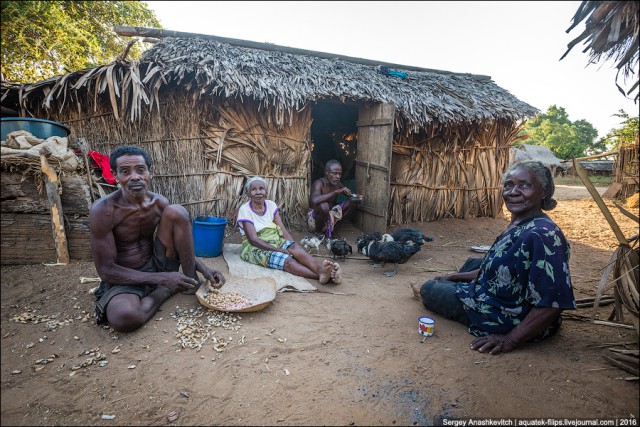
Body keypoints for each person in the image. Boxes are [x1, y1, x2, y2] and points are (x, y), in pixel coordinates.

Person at [411, 160, 576, 355]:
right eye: (509, 185)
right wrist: (453, 277)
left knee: (430, 288)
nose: (513, 192)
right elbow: (495, 269)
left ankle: (432, 291)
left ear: (544, 192)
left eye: (524, 185)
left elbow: (554, 301)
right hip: (504, 295)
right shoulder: (523, 222)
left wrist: (510, 340)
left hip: (508, 317)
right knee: (473, 263)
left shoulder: (543, 235)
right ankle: (455, 286)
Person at [90, 146, 226, 332]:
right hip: (125, 278)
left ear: (150, 173)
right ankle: (165, 290)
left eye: (140, 170)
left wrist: (205, 269)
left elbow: (179, 243)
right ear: (115, 175)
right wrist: (164, 279)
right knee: (124, 318)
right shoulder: (103, 210)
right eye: (125, 171)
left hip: (157, 263)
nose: (135, 177)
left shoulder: (158, 203)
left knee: (177, 211)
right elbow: (106, 270)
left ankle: (189, 281)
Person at [237, 176, 343, 284]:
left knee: (297, 251)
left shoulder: (271, 205)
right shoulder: (245, 210)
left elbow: (282, 229)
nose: (258, 192)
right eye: (253, 189)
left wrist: (293, 246)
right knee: (287, 261)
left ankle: (321, 270)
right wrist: (277, 250)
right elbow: (253, 240)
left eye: (261, 188)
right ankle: (324, 276)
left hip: (275, 239)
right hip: (255, 247)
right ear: (248, 193)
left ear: (266, 191)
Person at [307, 159, 361, 238]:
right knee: (324, 206)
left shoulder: (337, 183)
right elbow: (314, 200)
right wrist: (335, 192)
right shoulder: (319, 183)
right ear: (326, 172)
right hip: (314, 220)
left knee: (352, 203)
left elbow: (347, 194)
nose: (338, 177)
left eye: (339, 174)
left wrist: (355, 196)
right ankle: (319, 233)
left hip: (330, 217)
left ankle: (333, 229)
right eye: (334, 173)